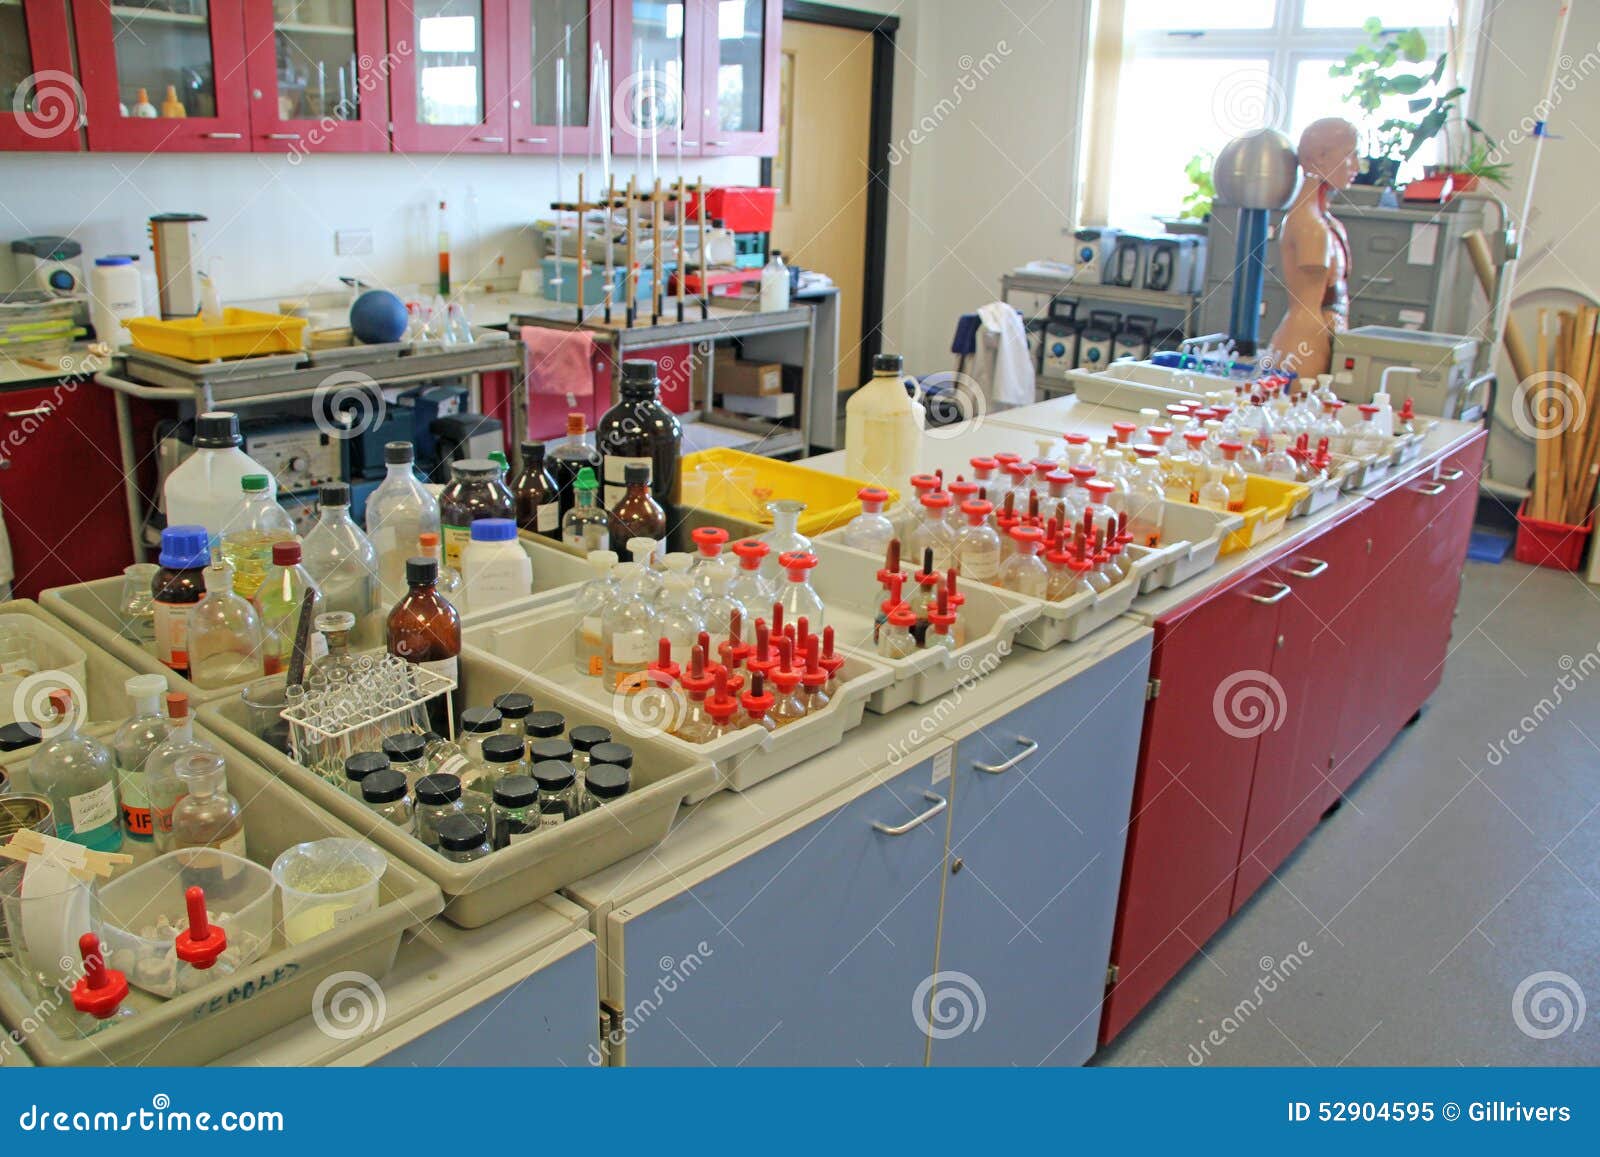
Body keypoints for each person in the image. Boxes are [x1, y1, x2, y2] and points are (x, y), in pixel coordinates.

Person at [1267, 117, 1359, 378]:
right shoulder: (1309, 225)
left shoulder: (1326, 223)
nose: (1357, 166)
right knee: (1296, 411)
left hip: (1326, 336)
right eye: (1349, 155)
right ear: (1320, 157)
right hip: (1304, 341)